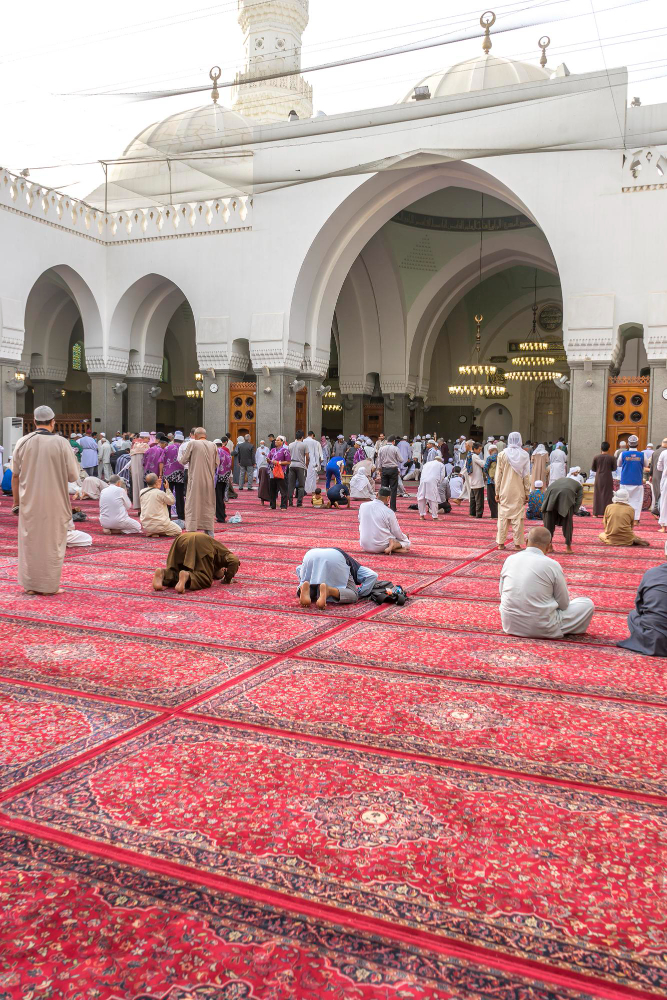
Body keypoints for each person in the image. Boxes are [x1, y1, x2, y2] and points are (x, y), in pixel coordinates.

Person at [12, 405, 80, 595]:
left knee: (30, 543)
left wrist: (15, 503)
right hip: (55, 502)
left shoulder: (23, 441)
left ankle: (31, 585)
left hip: (29, 502)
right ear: (53, 422)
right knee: (52, 544)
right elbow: (73, 476)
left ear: (34, 422)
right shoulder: (61, 443)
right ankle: (49, 586)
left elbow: (15, 476)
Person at [499, 526, 595, 638]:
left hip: (510, 625)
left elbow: (502, 592)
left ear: (526, 542)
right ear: (549, 547)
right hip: (542, 626)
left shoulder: (510, 559)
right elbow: (564, 604)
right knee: (587, 604)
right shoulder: (552, 565)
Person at [617, 543, 667, 655]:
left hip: (653, 635)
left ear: (665, 554)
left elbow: (640, 607)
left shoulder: (652, 573)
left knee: (633, 615)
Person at [152, 533, 240, 593]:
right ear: (223, 568)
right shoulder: (224, 555)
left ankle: (164, 574)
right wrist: (227, 579)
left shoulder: (212, 559)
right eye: (222, 573)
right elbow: (235, 561)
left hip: (181, 538)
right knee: (205, 579)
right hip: (199, 541)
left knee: (180, 570)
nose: (218, 576)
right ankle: (188, 576)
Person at [297, 547, 378, 608]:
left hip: (310, 555)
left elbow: (298, 569)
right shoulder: (357, 567)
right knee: (353, 595)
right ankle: (329, 591)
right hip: (336, 558)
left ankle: (304, 589)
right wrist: (360, 593)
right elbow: (372, 575)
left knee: (315, 583)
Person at [495, 431, 530, 550]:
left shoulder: (502, 454)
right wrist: (527, 492)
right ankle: (517, 544)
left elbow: (498, 475)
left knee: (503, 517)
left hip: (504, 490)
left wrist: (497, 491)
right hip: (518, 490)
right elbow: (526, 476)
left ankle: (500, 543)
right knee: (517, 518)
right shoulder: (524, 455)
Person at [179, 428, 218, 534]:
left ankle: (191, 532)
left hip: (195, 481)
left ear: (195, 435)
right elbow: (216, 463)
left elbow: (183, 460)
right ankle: (209, 535)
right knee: (207, 505)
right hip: (208, 482)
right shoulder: (213, 445)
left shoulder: (193, 444)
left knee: (192, 504)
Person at [358, 487, 410, 554]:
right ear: (388, 498)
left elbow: (361, 520)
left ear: (377, 495)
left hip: (364, 545)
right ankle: (394, 546)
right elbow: (396, 532)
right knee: (407, 542)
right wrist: (404, 537)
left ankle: (393, 547)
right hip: (381, 545)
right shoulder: (389, 512)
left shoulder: (363, 506)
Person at [540, 474, 583, 554]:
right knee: (568, 523)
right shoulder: (579, 486)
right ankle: (568, 547)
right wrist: (573, 511)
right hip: (566, 496)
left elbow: (546, 493)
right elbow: (579, 500)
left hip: (551, 495)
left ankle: (549, 546)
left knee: (549, 521)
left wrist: (545, 506)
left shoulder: (559, 480)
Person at [139, 473, 181, 537]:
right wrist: (167, 489)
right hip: (160, 524)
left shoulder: (142, 492)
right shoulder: (160, 493)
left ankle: (153, 532)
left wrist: (156, 487)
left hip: (146, 525)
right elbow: (172, 501)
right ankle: (160, 532)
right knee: (178, 530)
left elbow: (153, 495)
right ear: (156, 482)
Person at [617, 434, 645, 523]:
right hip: (637, 481)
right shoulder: (642, 455)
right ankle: (635, 520)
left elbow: (618, 464)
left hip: (625, 481)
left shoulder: (623, 454)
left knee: (624, 501)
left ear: (628, 444)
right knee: (637, 501)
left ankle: (625, 519)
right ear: (637, 444)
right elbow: (646, 465)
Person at [163, 431, 187, 521]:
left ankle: (167, 515)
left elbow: (163, 460)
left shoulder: (167, 448)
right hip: (180, 474)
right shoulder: (184, 448)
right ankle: (181, 516)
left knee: (167, 495)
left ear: (174, 440)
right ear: (182, 441)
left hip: (168, 474)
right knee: (179, 495)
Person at [375, 436, 402, 511]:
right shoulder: (395, 448)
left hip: (384, 469)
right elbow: (401, 459)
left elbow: (379, 461)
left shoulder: (381, 448)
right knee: (393, 489)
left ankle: (383, 506)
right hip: (393, 469)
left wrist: (379, 470)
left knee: (383, 488)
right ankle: (393, 507)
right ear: (393, 441)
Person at [417, 454, 447, 519]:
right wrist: (438, 484)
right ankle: (435, 516)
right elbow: (442, 476)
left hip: (423, 481)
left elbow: (422, 473)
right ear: (440, 461)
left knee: (421, 498)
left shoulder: (427, 464)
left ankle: (421, 515)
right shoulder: (441, 465)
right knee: (433, 499)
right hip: (432, 481)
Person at [591, 442, 615, 516]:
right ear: (609, 448)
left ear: (601, 448)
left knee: (597, 494)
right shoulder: (612, 458)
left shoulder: (596, 457)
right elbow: (614, 468)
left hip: (599, 477)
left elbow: (593, 468)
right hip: (608, 477)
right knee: (608, 495)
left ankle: (596, 513)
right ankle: (607, 513)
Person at [267, 436, 291, 510]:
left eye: (277, 440)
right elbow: (269, 458)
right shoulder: (272, 450)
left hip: (281, 472)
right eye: (275, 440)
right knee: (272, 489)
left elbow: (288, 461)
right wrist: (268, 460)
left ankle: (283, 506)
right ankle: (272, 505)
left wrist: (278, 462)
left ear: (282, 442)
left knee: (283, 489)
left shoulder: (285, 451)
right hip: (272, 471)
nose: (275, 441)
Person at [287, 430, 309, 506]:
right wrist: (306, 465)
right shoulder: (304, 445)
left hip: (292, 464)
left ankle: (290, 502)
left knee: (291, 485)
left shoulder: (290, 445)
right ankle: (299, 503)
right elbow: (307, 456)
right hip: (300, 465)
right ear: (302, 437)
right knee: (301, 485)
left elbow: (288, 455)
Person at [129, 433, 150, 509]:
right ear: (144, 438)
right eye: (148, 438)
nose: (149, 440)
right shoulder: (145, 445)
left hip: (134, 470)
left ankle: (137, 506)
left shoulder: (133, 445)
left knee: (135, 487)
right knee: (142, 487)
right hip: (142, 470)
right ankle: (143, 507)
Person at [465, 441, 485, 518]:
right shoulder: (475, 456)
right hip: (478, 480)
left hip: (472, 479)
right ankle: (479, 514)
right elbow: (482, 464)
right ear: (475, 449)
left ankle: (472, 513)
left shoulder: (469, 455)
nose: (480, 451)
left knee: (473, 499)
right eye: (479, 449)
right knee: (479, 499)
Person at [649, 438, 667, 513]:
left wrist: (651, 475)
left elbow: (652, 466)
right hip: (664, 475)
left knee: (657, 494)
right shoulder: (664, 452)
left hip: (656, 476)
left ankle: (657, 510)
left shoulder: (655, 452)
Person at [483, 443, 498, 518]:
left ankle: (494, 514)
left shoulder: (490, 458)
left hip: (490, 481)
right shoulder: (501, 457)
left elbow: (485, 468)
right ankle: (499, 514)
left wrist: (487, 476)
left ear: (490, 450)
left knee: (491, 499)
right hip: (500, 481)